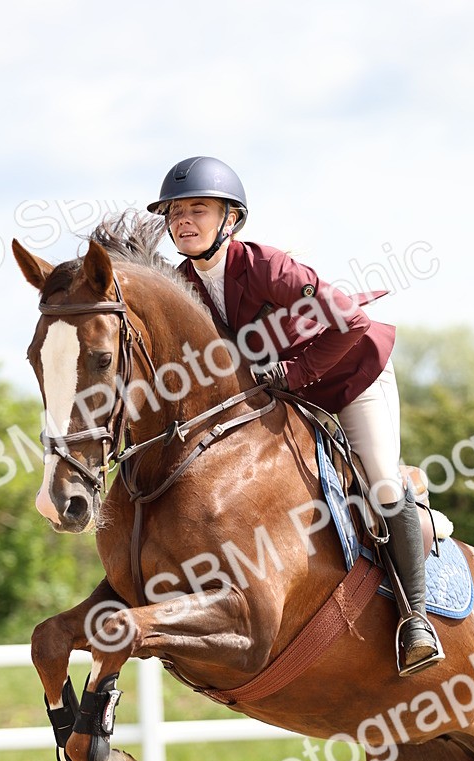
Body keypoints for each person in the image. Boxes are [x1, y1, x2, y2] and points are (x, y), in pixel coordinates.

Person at [147, 155, 444, 675]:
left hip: (352, 376)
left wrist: (291, 373)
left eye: (198, 209)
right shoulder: (183, 286)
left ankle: (416, 620)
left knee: (379, 483)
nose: (183, 221)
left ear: (230, 220)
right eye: (174, 213)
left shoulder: (266, 266)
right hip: (289, 392)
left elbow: (350, 323)